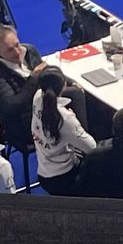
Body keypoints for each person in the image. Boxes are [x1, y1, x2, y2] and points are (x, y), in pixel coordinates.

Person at [31, 66, 96, 195]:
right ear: (63, 85)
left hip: (43, 171)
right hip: (65, 177)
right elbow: (92, 147)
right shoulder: (65, 118)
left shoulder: (37, 96)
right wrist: (75, 121)